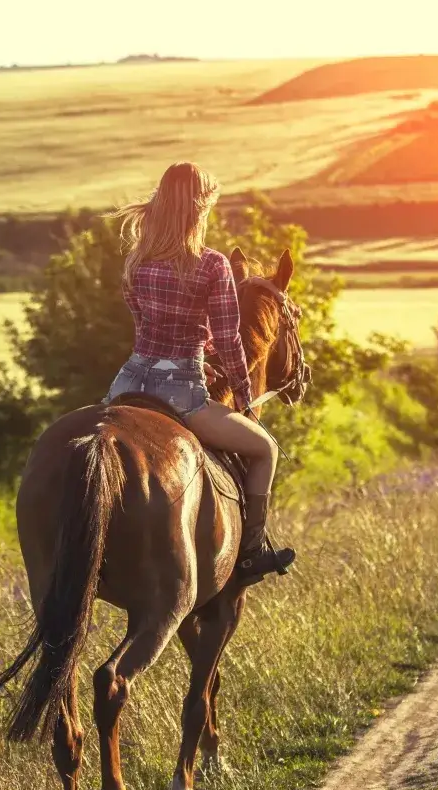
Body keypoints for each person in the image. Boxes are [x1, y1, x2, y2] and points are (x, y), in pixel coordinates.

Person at [106, 162, 295, 587]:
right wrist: (244, 397)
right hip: (181, 395)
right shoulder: (211, 265)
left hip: (127, 384)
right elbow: (230, 342)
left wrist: (191, 348)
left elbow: (144, 326)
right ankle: (250, 554)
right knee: (265, 450)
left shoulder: (137, 259)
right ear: (200, 210)